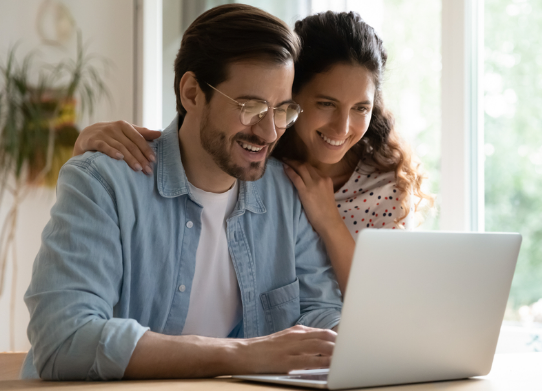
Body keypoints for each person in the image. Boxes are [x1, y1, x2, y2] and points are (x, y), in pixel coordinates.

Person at [23, 4, 343, 381]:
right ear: (191, 92)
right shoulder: (103, 184)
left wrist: (351, 341)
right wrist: (242, 355)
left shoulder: (286, 194)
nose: (270, 132)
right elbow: (64, 338)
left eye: (282, 111)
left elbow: (318, 310)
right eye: (250, 107)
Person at [74, 11, 434, 294]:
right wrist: (88, 142)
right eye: (325, 103)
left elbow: (384, 304)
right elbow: (203, 130)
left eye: (361, 108)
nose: (343, 128)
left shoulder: (383, 186)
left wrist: (328, 220)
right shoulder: (259, 158)